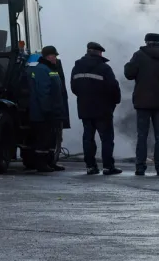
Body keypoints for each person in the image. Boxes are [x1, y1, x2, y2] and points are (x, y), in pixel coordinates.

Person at [124, 33, 159, 176]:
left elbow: (129, 74)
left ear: (146, 41)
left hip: (142, 102)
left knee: (142, 135)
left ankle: (140, 167)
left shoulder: (139, 55)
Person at [71, 42, 122, 176]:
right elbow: (113, 87)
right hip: (103, 109)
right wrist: (115, 102)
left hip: (84, 108)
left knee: (88, 138)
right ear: (99, 53)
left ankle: (90, 166)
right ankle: (108, 167)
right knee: (106, 139)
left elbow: (74, 87)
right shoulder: (104, 68)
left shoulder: (77, 67)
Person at [28, 45, 66, 173]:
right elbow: (43, 92)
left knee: (51, 138)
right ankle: (41, 164)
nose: (55, 58)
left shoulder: (50, 69)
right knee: (43, 139)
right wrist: (47, 110)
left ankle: (50, 162)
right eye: (54, 56)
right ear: (47, 56)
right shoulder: (41, 70)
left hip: (52, 111)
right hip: (42, 113)